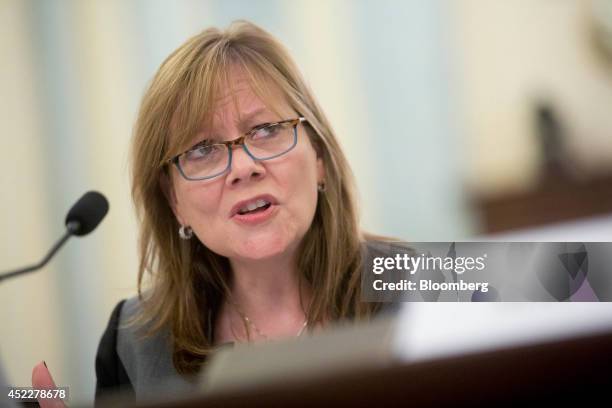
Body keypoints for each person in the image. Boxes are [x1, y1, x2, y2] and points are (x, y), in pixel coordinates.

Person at [33, 20, 396, 405]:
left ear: (319, 156)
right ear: (174, 200)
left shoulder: (442, 281)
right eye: (202, 150)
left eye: (267, 128)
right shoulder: (134, 341)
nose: (243, 167)